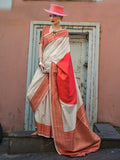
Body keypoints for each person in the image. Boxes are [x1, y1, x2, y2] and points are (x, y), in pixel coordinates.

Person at [27, 4, 101, 157]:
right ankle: (42, 128)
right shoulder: (46, 30)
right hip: (43, 68)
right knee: (33, 95)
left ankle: (51, 131)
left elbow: (64, 55)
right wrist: (40, 62)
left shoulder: (64, 33)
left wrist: (52, 66)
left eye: (54, 16)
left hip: (55, 70)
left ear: (60, 17)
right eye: (50, 15)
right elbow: (41, 46)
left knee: (52, 99)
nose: (51, 18)